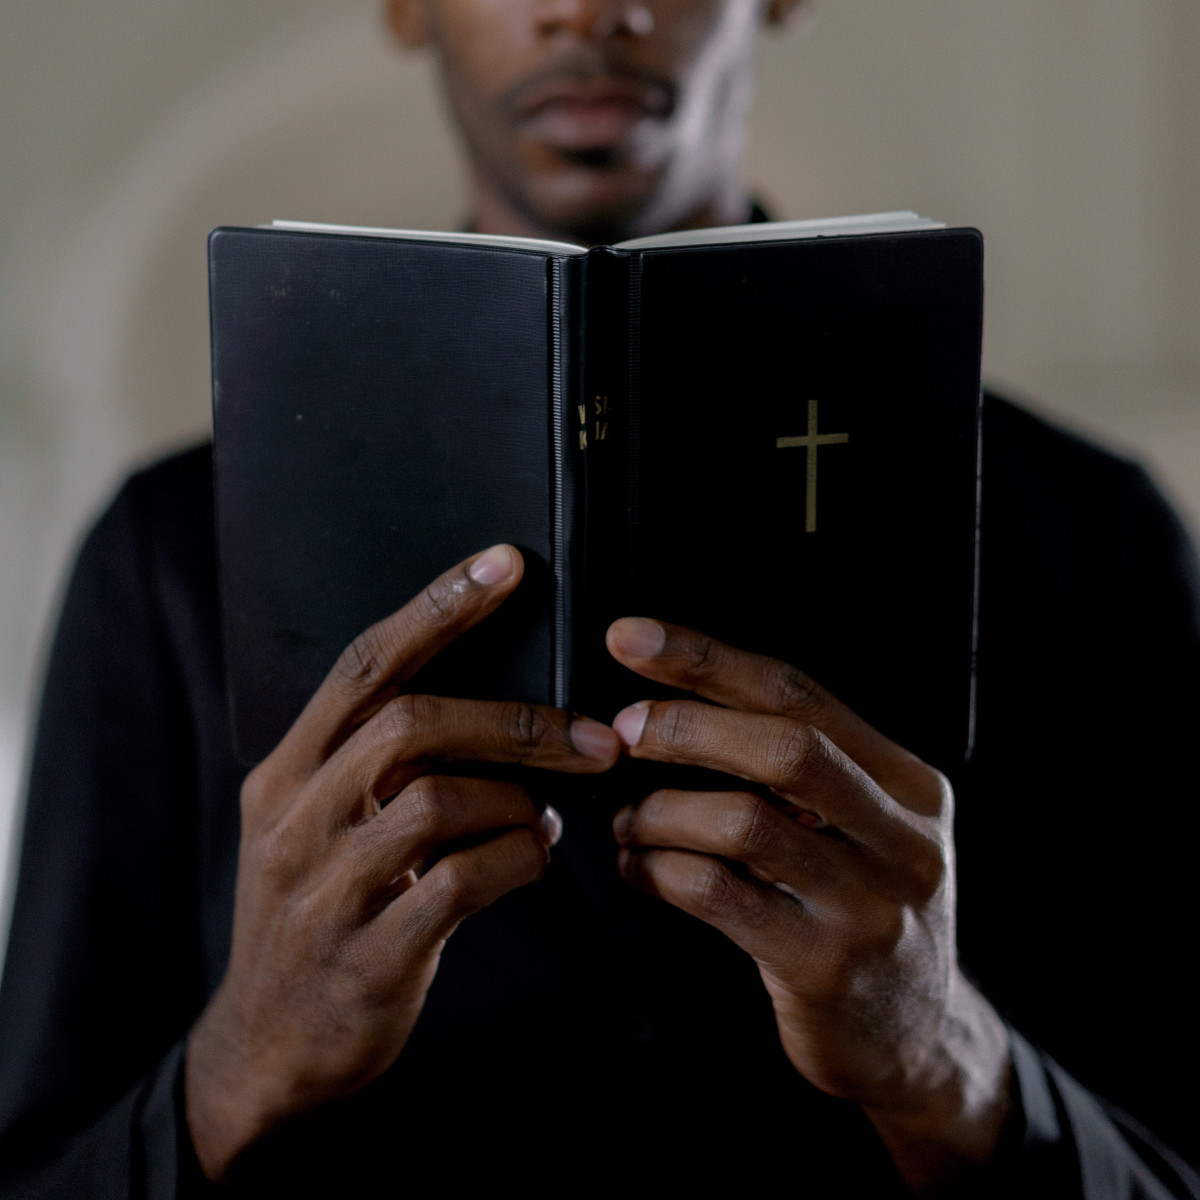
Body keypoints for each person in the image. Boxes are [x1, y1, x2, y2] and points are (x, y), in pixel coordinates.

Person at [1, 1, 1198, 1195]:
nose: (587, 10)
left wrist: (946, 1061)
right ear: (406, 8)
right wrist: (243, 1062)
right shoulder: (162, 556)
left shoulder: (1094, 542)